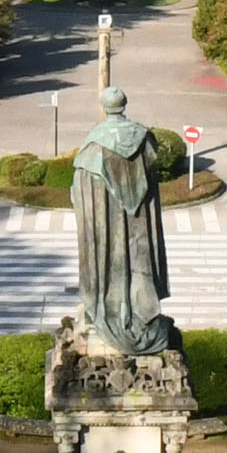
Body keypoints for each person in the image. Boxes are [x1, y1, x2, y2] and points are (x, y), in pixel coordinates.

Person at [71, 88, 176, 355]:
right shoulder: (144, 140)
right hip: (138, 221)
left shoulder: (95, 145)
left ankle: (110, 307)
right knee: (140, 256)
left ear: (106, 107)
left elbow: (82, 190)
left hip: (106, 219)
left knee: (109, 256)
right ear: (123, 105)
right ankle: (141, 309)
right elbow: (151, 175)